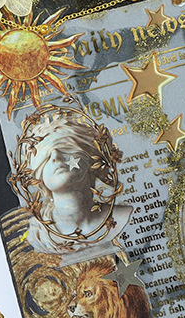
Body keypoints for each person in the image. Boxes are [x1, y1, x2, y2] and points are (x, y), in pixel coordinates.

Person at [21, 109, 132, 259]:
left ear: (90, 160)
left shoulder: (123, 216)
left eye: (66, 149)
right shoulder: (39, 235)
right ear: (38, 174)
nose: (56, 157)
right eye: (45, 157)